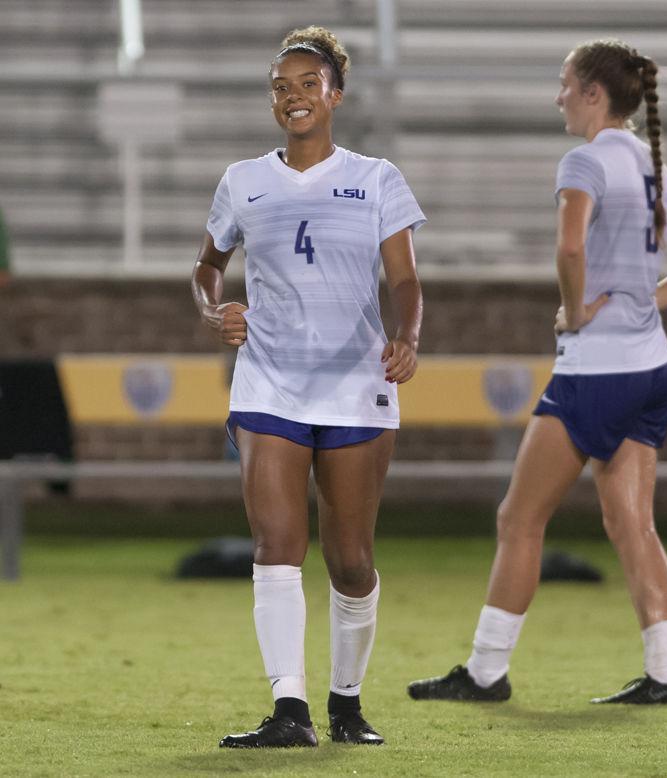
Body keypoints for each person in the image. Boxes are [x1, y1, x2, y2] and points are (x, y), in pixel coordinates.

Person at [408, 39, 667, 705]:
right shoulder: (651, 162)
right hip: (651, 367)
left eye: (564, 84)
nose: (557, 96)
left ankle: (487, 672)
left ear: (592, 94)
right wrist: (642, 301)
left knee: (518, 519)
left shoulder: (584, 161)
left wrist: (576, 312)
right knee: (632, 523)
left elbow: (570, 244)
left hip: (596, 370)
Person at [192, 26, 425, 747]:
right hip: (269, 385)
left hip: (356, 385)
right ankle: (288, 709)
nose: (292, 96)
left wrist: (407, 337)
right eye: (280, 86)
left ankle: (346, 704)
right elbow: (207, 265)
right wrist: (214, 309)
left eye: (306, 84)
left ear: (335, 95)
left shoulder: (377, 176)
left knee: (350, 560)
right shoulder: (243, 180)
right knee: (276, 543)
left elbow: (406, 278)